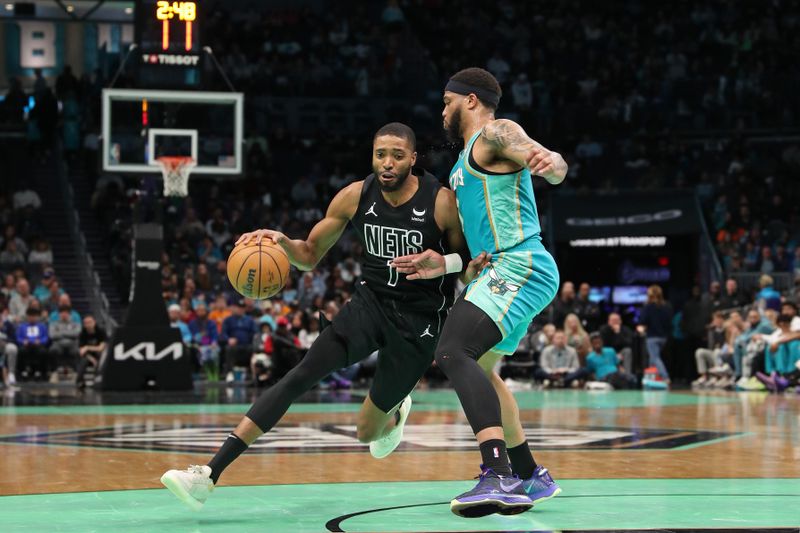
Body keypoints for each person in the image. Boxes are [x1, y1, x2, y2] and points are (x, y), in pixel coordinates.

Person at [160, 123, 490, 511]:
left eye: (398, 155)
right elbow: (310, 255)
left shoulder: (442, 203)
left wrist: (445, 263)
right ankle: (208, 475)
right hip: (369, 306)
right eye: (380, 154)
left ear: (413, 160)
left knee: (367, 433)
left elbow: (472, 265)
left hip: (418, 323)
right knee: (300, 375)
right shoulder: (354, 196)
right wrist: (281, 242)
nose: (387, 163)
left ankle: (397, 408)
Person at [392, 67, 567, 517]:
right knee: (483, 372)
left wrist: (552, 163)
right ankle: (530, 474)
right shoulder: (462, 163)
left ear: (470, 100)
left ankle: (497, 474)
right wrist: (448, 264)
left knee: (452, 350)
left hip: (522, 263)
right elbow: (475, 252)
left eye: (447, 101)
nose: (442, 110)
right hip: (496, 269)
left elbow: (546, 159)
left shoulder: (495, 132)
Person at [637, 285, 673, 384]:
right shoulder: (667, 306)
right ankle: (650, 378)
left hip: (652, 336)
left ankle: (665, 377)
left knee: (655, 357)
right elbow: (670, 322)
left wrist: (641, 328)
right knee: (652, 359)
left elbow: (643, 322)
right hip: (664, 337)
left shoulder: (648, 307)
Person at [76, 315, 106, 389]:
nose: (88, 324)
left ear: (94, 322)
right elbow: (82, 351)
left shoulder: (101, 332)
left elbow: (101, 348)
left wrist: (87, 347)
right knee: (83, 360)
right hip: (88, 356)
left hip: (98, 354)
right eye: (86, 323)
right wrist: (92, 360)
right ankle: (80, 381)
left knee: (100, 356)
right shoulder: (82, 333)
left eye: (90, 322)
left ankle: (97, 381)